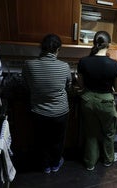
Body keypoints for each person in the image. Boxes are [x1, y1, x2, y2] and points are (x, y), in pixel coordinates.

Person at [22, 34, 72, 174]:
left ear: (41, 48)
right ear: (58, 50)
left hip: (39, 112)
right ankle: (55, 164)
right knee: (58, 140)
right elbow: (68, 85)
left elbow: (25, 84)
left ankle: (45, 166)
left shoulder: (28, 65)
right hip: (60, 112)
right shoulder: (64, 66)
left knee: (41, 141)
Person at [77, 31, 117, 171]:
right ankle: (108, 160)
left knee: (91, 133)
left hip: (88, 100)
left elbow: (81, 85)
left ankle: (90, 163)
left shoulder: (83, 62)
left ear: (94, 43)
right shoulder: (114, 64)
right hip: (106, 102)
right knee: (109, 133)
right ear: (108, 44)